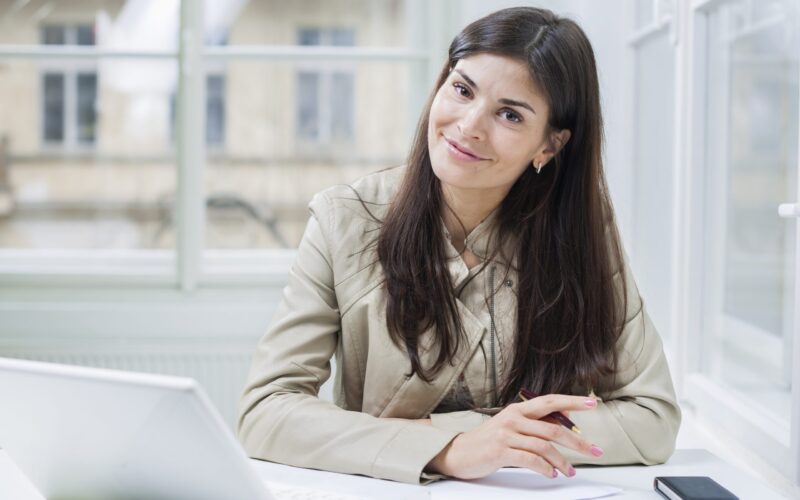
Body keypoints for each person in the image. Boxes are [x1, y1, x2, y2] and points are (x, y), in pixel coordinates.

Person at [237, 6, 681, 485]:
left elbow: (652, 417)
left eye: (509, 114)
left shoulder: (580, 233)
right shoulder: (343, 218)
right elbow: (265, 411)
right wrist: (449, 448)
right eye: (462, 89)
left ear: (549, 146)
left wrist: (482, 438)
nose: (468, 125)